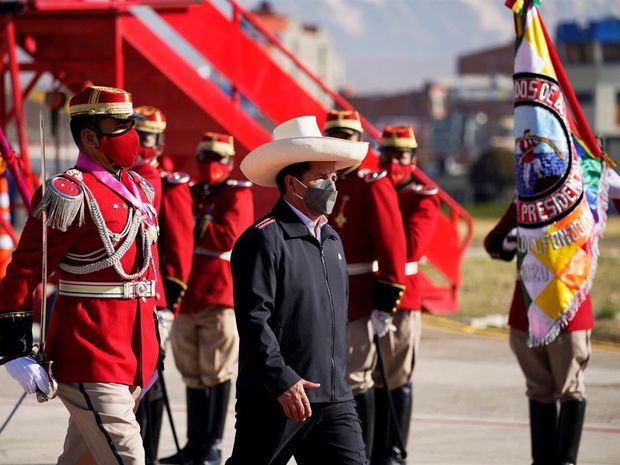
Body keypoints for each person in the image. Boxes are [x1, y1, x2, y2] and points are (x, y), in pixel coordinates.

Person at [0, 85, 160, 464]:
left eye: (129, 125)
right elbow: (24, 270)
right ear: (90, 136)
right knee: (128, 457)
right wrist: (14, 349)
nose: (131, 135)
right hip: (91, 351)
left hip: (136, 351)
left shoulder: (138, 187)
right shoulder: (68, 194)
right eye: (119, 126)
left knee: (83, 459)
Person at [226, 115, 368, 465]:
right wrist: (282, 380)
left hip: (334, 399)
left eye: (334, 177)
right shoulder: (263, 240)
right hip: (276, 398)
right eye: (322, 178)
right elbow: (254, 321)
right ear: (292, 183)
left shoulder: (332, 238)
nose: (332, 186)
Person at [484, 169, 620, 465]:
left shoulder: (585, 188)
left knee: (570, 389)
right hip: (527, 313)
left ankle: (565, 461)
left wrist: (603, 177)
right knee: (539, 390)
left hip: (567, 309)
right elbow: (493, 241)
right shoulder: (525, 194)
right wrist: (509, 240)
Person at [160, 132, 253, 465]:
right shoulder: (191, 191)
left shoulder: (236, 193)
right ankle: (194, 444)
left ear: (229, 162)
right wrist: (196, 226)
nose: (211, 165)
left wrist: (191, 225)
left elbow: (229, 235)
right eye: (205, 158)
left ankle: (211, 445)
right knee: (192, 372)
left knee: (216, 371)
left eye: (218, 158)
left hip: (218, 294)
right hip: (188, 293)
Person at [325, 110, 408, 462]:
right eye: (335, 137)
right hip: (326, 296)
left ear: (359, 143)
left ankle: (366, 455)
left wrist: (385, 303)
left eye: (349, 137)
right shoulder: (323, 182)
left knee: (358, 379)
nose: (342, 144)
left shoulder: (373, 184)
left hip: (358, 298)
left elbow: (392, 247)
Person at [131, 105, 194, 464]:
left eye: (149, 138)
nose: (142, 144)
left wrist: (170, 298)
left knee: (149, 383)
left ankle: (148, 455)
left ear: (160, 142)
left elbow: (178, 244)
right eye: (137, 136)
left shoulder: (159, 181)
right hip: (131, 293)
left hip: (154, 297)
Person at [373, 125, 440, 465]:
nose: (391, 162)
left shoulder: (421, 196)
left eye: (400, 156)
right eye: (386, 155)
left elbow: (412, 247)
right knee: (367, 377)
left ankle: (393, 450)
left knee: (396, 376)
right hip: (366, 294)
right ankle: (370, 449)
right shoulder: (371, 188)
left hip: (401, 297)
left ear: (413, 160)